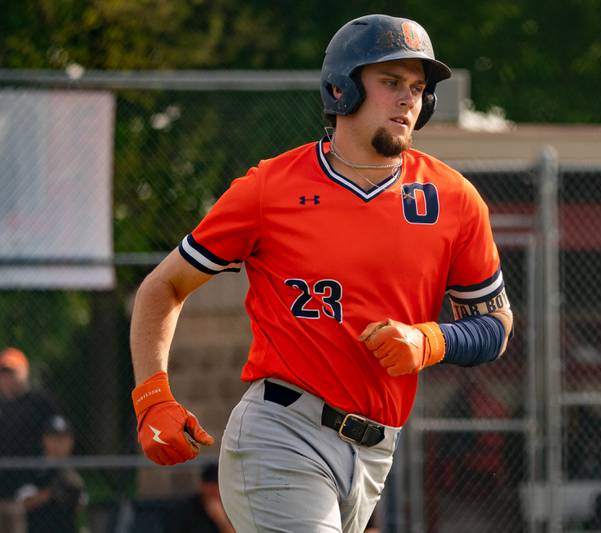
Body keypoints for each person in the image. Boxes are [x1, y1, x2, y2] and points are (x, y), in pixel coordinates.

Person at [129, 13, 513, 533]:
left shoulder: (454, 199)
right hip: (282, 431)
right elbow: (164, 285)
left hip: (376, 451)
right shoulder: (271, 188)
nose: (408, 99)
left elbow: (495, 327)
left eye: (419, 88)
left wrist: (431, 341)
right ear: (342, 88)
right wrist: (152, 395)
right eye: (391, 82)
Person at [0, 348, 59, 512]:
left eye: (11, 372)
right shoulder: (2, 407)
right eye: (3, 373)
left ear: (25, 372)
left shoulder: (39, 403)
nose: (6, 378)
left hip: (32, 482)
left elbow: (59, 438)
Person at [16, 415, 87, 533]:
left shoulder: (72, 470)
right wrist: (50, 493)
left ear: (71, 441)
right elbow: (23, 505)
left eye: (64, 438)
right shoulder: (34, 468)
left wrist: (74, 493)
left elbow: (81, 508)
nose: (59, 443)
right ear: (44, 439)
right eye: (54, 438)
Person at [167, 463, 234, 533]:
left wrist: (222, 521)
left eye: (217, 485)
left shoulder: (230, 507)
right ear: (202, 485)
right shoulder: (188, 508)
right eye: (211, 486)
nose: (215, 490)